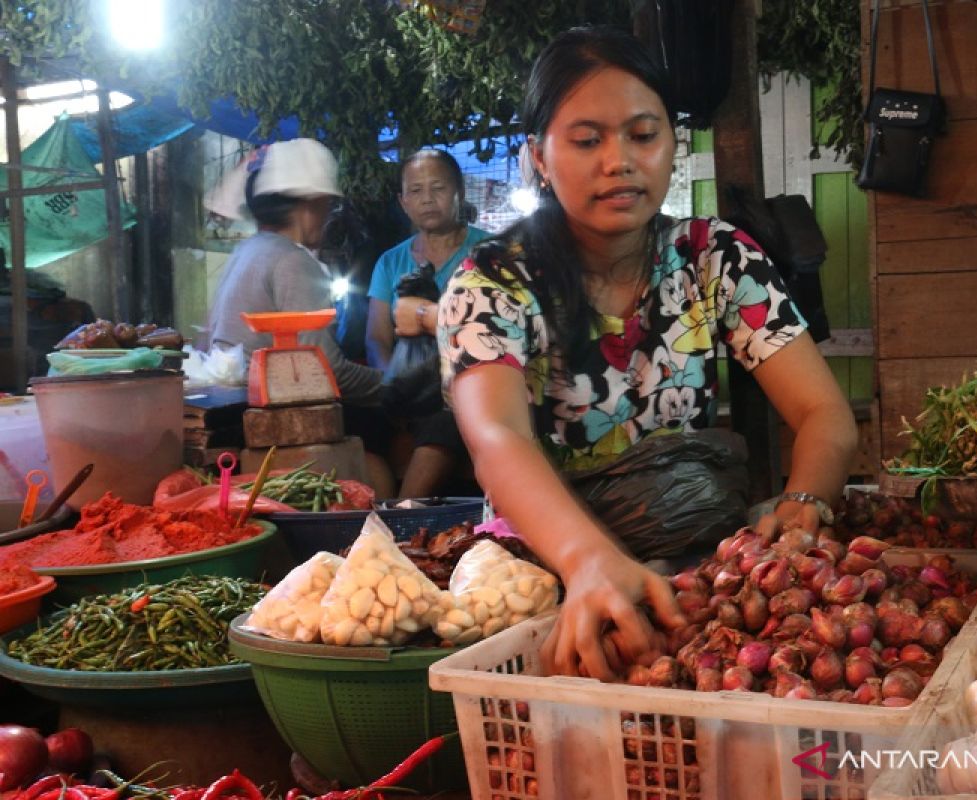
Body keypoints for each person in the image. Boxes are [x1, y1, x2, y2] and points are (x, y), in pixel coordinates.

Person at [436, 26, 859, 680]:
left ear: (673, 143)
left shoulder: (715, 258)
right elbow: (495, 436)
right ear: (538, 158)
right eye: (586, 140)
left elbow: (822, 412)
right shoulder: (492, 282)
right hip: (545, 585)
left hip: (692, 578)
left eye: (643, 134)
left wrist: (807, 500)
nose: (620, 160)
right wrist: (585, 559)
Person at [205, 139, 394, 494]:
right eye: (326, 206)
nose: (327, 216)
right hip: (270, 409)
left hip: (237, 401)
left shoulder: (247, 251)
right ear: (309, 205)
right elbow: (325, 370)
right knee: (386, 431)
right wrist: (389, 386)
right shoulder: (295, 261)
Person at [365, 149, 490, 498]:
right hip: (405, 389)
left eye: (437, 188)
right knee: (356, 423)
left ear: (458, 193)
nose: (427, 199)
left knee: (449, 421)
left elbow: (496, 328)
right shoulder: (390, 262)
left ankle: (398, 520)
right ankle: (379, 509)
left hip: (466, 388)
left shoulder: (490, 252)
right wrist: (394, 387)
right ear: (403, 202)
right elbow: (377, 338)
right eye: (416, 191)